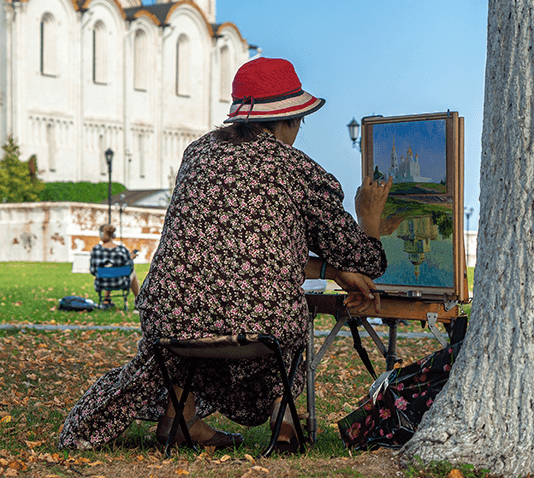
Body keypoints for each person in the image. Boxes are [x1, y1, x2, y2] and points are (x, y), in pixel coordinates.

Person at [59, 57, 391, 452]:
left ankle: (179, 418)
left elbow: (239, 251)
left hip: (169, 322)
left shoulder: (197, 154)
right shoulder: (295, 169)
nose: (299, 130)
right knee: (283, 309)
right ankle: (282, 421)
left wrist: (331, 271)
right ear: (287, 121)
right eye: (300, 121)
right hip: (258, 326)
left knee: (202, 303)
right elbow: (367, 262)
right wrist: (369, 218)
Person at [90, 223, 139, 308]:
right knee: (132, 273)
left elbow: (93, 271)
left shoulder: (96, 250)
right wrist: (131, 258)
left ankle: (106, 300)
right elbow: (129, 268)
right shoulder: (122, 249)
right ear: (113, 235)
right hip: (120, 283)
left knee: (108, 270)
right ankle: (138, 301)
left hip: (102, 283)